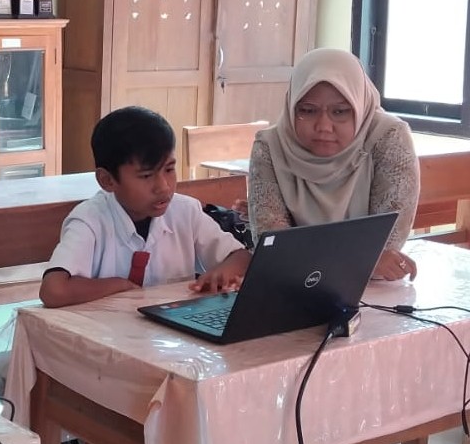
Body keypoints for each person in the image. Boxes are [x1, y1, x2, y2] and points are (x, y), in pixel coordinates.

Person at [40, 106, 251, 307]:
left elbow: (241, 257)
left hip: (168, 329)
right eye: (146, 176)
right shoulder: (89, 220)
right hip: (105, 329)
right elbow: (54, 290)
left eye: (169, 170)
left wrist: (223, 272)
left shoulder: (185, 212)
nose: (163, 186)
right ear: (107, 180)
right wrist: (120, 285)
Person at [248, 48, 420, 281]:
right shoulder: (270, 146)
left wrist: (324, 258)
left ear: (359, 106)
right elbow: (273, 246)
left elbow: (388, 243)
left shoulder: (388, 137)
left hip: (374, 288)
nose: (323, 126)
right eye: (307, 111)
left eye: (340, 112)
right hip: (296, 285)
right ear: (292, 106)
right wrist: (362, 259)